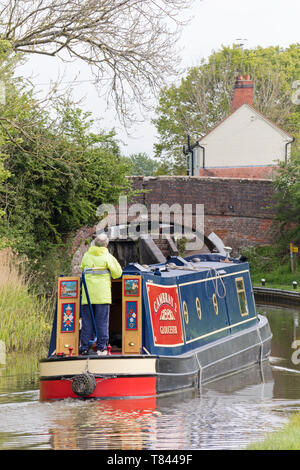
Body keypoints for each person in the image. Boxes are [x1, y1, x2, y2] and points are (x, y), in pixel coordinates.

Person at [80, 233, 122, 356]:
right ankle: (102, 348)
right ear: (106, 244)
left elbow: (82, 269)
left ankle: (84, 348)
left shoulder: (86, 256)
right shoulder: (107, 257)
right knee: (102, 322)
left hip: (87, 296)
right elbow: (118, 274)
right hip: (102, 296)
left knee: (87, 322)